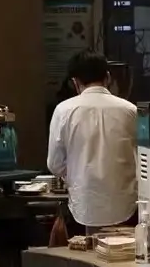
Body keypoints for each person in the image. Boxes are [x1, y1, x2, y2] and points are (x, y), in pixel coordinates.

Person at [47, 50, 138, 233]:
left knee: (89, 255)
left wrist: (77, 171)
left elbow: (55, 165)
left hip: (84, 205)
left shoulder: (63, 110)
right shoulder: (130, 110)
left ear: (75, 82)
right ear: (108, 77)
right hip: (126, 205)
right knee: (122, 254)